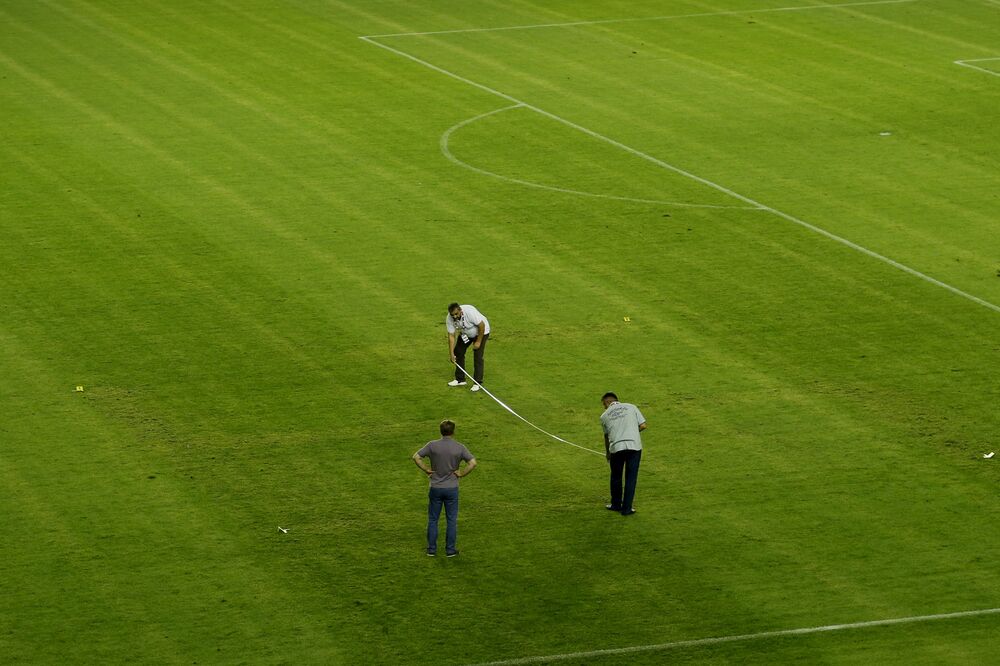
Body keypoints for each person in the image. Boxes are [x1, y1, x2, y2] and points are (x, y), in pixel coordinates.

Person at [412, 419, 477, 557]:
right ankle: (450, 550)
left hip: (435, 487)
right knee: (451, 520)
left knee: (433, 519)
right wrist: (462, 473)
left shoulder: (432, 445)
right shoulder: (460, 447)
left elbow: (416, 457)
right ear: (453, 431)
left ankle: (431, 549)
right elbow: (473, 463)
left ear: (441, 431)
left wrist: (426, 469)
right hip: (452, 488)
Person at [600, 392, 647, 516]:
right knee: (631, 478)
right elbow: (643, 425)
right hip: (634, 446)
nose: (604, 407)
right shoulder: (631, 407)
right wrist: (633, 432)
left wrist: (608, 453)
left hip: (616, 448)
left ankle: (616, 505)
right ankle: (627, 509)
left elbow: (606, 436)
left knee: (616, 477)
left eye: (604, 405)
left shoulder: (604, 416)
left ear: (607, 402)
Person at [445, 302, 490, 392]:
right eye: (452, 315)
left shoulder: (470, 312)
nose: (454, 317)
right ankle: (460, 379)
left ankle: (477, 383)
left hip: (481, 332)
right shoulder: (449, 318)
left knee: (478, 356)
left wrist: (478, 342)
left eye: (456, 314)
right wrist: (451, 354)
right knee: (458, 352)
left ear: (460, 311)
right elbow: (451, 336)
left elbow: (482, 326)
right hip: (466, 333)